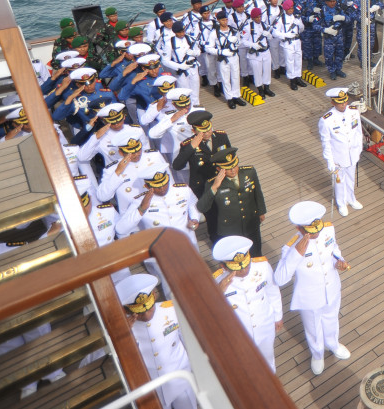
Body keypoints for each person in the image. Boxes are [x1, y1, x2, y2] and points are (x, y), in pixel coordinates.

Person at [273, 201, 351, 376]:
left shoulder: (328, 230)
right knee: (313, 328)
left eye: (318, 227)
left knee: (332, 318)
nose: (316, 234)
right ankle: (317, 354)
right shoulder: (291, 247)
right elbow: (279, 279)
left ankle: (333, 344)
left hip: (331, 287)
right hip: (309, 296)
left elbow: (333, 249)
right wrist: (296, 254)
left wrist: (338, 260)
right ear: (299, 229)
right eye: (311, 231)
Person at [115, 274, 196, 409]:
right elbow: (120, 362)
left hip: (180, 379)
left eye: (149, 307)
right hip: (150, 388)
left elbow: (189, 341)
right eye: (139, 312)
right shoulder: (122, 328)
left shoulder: (171, 309)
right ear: (127, 310)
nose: (146, 315)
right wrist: (124, 336)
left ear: (154, 295)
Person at [212, 236, 283, 372]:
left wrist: (278, 315)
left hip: (265, 324)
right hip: (239, 334)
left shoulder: (262, 267)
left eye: (246, 265)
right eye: (237, 269)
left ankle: (272, 383)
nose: (244, 270)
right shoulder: (216, 282)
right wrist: (217, 295)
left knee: (268, 358)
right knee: (245, 365)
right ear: (223, 266)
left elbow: (272, 291)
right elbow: (210, 315)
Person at [172, 110, 232, 241]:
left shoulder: (221, 136)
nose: (208, 133)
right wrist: (192, 147)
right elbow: (177, 166)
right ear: (194, 131)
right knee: (212, 216)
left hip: (222, 182)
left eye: (209, 129)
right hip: (203, 187)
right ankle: (216, 238)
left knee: (227, 210)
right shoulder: (188, 145)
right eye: (203, 131)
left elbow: (229, 157)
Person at [197, 147, 266, 255]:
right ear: (219, 169)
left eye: (234, 166)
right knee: (237, 257)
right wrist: (215, 187)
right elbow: (202, 207)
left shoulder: (249, 172)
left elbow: (257, 193)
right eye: (228, 168)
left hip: (251, 223)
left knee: (256, 253)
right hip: (230, 229)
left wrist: (261, 211)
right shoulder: (212, 184)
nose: (233, 170)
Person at [318, 87, 364, 216]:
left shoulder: (354, 112)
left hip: (352, 154)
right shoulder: (326, 120)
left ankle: (351, 198)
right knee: (339, 181)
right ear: (333, 103)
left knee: (351, 178)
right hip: (338, 156)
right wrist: (330, 161)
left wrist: (358, 149)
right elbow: (326, 143)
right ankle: (341, 203)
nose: (344, 105)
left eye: (345, 101)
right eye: (340, 103)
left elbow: (358, 132)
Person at [206, 10, 246, 109]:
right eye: (223, 20)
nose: (225, 21)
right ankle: (229, 98)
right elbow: (208, 48)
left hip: (233, 56)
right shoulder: (214, 33)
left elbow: (239, 41)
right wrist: (220, 52)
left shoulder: (233, 30)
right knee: (225, 78)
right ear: (218, 20)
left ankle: (236, 96)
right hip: (223, 58)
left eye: (226, 19)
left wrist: (235, 43)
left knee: (236, 76)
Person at [272, 0, 306, 89]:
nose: (291, 10)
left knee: (298, 60)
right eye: (289, 8)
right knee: (290, 61)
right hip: (288, 43)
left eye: (292, 8)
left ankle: (298, 77)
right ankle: (292, 80)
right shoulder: (280, 19)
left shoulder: (296, 17)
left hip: (297, 41)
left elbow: (302, 29)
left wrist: (300, 24)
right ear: (285, 9)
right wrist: (285, 35)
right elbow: (275, 32)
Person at [241, 7, 274, 98]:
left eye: (260, 16)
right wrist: (252, 45)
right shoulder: (248, 28)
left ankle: (267, 88)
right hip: (255, 54)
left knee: (267, 71)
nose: (259, 19)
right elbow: (243, 41)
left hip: (266, 52)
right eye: (256, 17)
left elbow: (270, 38)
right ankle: (260, 89)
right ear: (252, 18)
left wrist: (269, 35)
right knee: (257, 72)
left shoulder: (265, 25)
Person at [320, 0, 347, 80]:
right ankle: (332, 71)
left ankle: (338, 69)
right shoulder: (322, 12)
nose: (333, 3)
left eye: (334, 1)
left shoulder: (339, 10)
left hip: (339, 36)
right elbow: (315, 25)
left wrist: (344, 18)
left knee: (339, 54)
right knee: (329, 56)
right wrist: (325, 30)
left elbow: (348, 19)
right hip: (329, 38)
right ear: (326, 2)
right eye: (331, 1)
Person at [299, 0, 324, 67]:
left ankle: (316, 59)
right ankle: (309, 61)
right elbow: (297, 16)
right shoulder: (301, 2)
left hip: (316, 26)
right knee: (307, 45)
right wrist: (307, 19)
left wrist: (319, 12)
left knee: (317, 43)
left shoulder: (316, 0)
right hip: (307, 28)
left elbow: (322, 10)